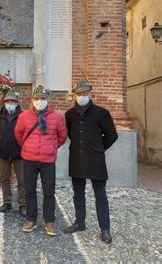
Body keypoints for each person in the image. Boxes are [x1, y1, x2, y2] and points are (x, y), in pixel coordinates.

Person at [63, 81, 118, 244]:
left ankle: (105, 229)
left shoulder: (102, 113)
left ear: (90, 95)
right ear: (74, 96)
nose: (82, 97)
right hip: (77, 158)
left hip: (96, 159)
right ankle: (80, 222)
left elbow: (112, 135)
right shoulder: (70, 114)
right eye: (79, 95)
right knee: (78, 193)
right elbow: (70, 134)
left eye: (85, 94)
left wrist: (98, 148)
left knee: (100, 194)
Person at [15, 85, 67, 236]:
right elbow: (18, 135)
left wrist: (51, 147)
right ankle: (31, 219)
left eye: (43, 99)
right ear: (32, 100)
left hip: (48, 161)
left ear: (47, 100)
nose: (40, 101)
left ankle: (49, 221)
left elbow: (62, 137)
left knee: (49, 191)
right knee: (29, 190)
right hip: (29, 160)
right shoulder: (24, 117)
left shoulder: (56, 118)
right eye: (37, 99)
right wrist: (27, 147)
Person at [0, 90, 25, 216]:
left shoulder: (22, 116)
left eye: (12, 101)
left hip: (19, 154)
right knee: (5, 178)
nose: (10, 104)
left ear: (17, 103)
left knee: (22, 180)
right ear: (4, 103)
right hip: (4, 153)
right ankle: (7, 202)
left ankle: (23, 204)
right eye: (8, 101)